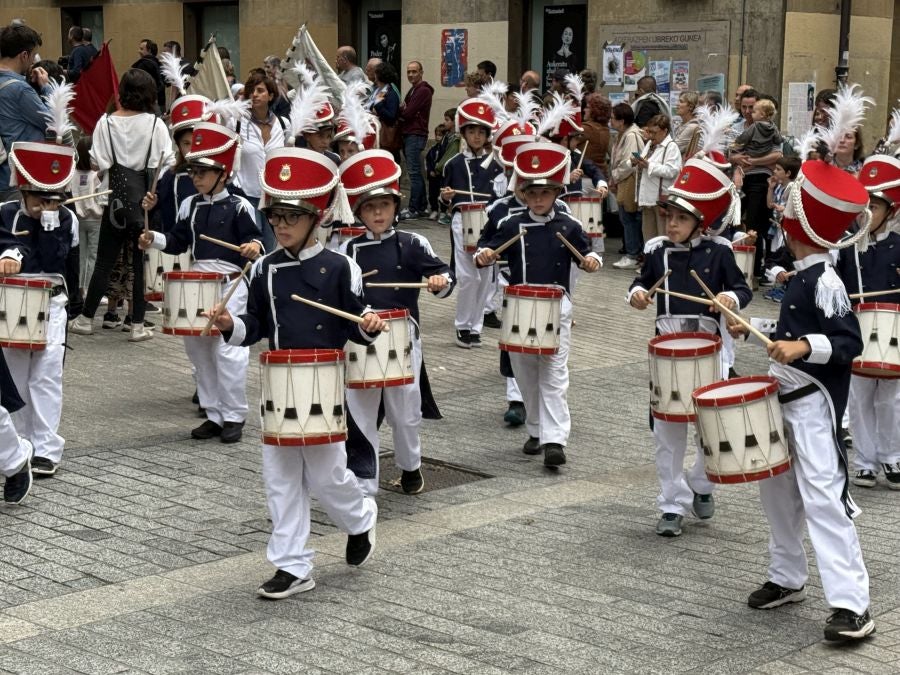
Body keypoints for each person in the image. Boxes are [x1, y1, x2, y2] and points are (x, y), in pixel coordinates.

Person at [206, 146, 381, 600]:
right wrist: (230, 326)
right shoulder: (263, 268)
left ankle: (360, 519)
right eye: (276, 216)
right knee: (280, 479)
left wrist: (369, 324)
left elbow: (358, 322)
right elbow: (256, 327)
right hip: (279, 385)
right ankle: (292, 565)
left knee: (327, 477)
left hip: (323, 382)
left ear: (316, 217)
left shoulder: (343, 267)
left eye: (291, 217)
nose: (280, 225)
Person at [729, 157, 874, 643]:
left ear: (798, 229)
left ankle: (853, 606)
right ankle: (788, 576)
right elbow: (789, 335)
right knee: (777, 494)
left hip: (814, 404)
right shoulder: (802, 276)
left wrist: (805, 347)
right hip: (783, 398)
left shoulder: (826, 280)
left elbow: (849, 345)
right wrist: (752, 333)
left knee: (822, 499)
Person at [627, 156, 750, 536]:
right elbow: (639, 283)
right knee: (667, 433)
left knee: (711, 427)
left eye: (681, 219)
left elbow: (743, 290)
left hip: (709, 347)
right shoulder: (658, 250)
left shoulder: (720, 252)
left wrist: (729, 298)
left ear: (701, 223)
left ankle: (701, 483)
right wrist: (636, 296)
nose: (673, 225)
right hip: (668, 349)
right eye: (669, 218)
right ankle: (670, 505)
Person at [476, 142, 601, 468]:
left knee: (554, 375)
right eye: (532, 193)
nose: (538, 199)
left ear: (557, 192)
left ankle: (556, 440)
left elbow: (590, 252)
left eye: (545, 193)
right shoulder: (509, 225)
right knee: (525, 374)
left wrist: (591, 260)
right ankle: (536, 429)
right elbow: (483, 248)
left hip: (557, 306)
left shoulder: (569, 225)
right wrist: (485, 255)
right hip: (518, 305)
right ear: (523, 192)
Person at [139, 121, 262, 444]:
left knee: (227, 351)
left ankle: (234, 415)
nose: (195, 178)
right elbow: (179, 241)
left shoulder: (240, 206)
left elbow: (255, 242)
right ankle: (213, 413)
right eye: (193, 172)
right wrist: (154, 238)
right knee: (198, 350)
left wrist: (253, 247)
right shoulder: (189, 205)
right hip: (198, 283)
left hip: (229, 284)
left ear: (222, 174)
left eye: (202, 173)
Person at [340, 149, 454, 495]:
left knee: (405, 413)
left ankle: (410, 466)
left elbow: (445, 277)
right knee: (359, 412)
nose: (377, 213)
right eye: (370, 207)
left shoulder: (413, 243)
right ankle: (363, 479)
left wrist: (440, 283)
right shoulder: (348, 250)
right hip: (361, 339)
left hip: (404, 340)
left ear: (394, 207)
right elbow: (342, 296)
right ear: (359, 211)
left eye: (384, 206)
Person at [69, 69, 173, 341]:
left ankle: (86, 318)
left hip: (113, 203)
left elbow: (97, 163)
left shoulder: (105, 122)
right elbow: (163, 165)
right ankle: (137, 324)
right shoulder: (156, 125)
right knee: (138, 263)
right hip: (143, 203)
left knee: (104, 261)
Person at [1, 128, 81, 479]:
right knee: (15, 376)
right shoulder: (4, 213)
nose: (42, 204)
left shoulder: (65, 218)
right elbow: (8, 244)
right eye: (37, 197)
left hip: (51, 303)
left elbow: (56, 260)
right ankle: (18, 445)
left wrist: (49, 220)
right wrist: (9, 255)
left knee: (46, 377)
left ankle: (46, 448)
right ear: (22, 188)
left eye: (50, 197)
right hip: (12, 302)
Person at [836, 152, 900, 488]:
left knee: (890, 399)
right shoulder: (847, 247)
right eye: (862, 207)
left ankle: (891, 457)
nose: (866, 214)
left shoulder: (899, 245)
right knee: (859, 398)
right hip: (857, 330)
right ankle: (863, 460)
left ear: (891, 211)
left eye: (873, 208)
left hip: (892, 335)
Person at [441, 99, 505, 348]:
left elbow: (501, 198)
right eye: (472, 131)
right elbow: (443, 201)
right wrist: (445, 197)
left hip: (489, 223)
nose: (477, 136)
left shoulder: (497, 164)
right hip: (462, 221)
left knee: (486, 276)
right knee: (468, 278)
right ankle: (462, 326)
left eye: (481, 131)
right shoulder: (453, 164)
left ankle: (475, 326)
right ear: (464, 133)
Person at [0, 24, 52, 202]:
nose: (32, 63)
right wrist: (46, 87)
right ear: (24, 55)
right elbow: (53, 123)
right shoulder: (20, 89)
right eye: (32, 56)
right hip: (18, 178)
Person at [235, 73, 286, 254]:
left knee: (271, 249)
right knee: (251, 249)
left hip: (272, 198)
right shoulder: (238, 121)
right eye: (251, 91)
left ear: (271, 96)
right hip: (246, 194)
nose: (254, 95)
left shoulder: (281, 123)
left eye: (260, 90)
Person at [633, 114, 682, 243]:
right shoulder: (649, 144)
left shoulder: (671, 147)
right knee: (649, 238)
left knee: (662, 237)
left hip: (660, 200)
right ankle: (651, 261)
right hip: (647, 199)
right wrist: (636, 161)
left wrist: (649, 165)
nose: (650, 135)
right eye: (649, 131)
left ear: (665, 131)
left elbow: (672, 171)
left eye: (654, 132)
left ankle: (663, 262)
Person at [610, 103, 645, 270]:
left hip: (629, 179)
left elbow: (630, 161)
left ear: (621, 121)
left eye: (612, 118)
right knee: (628, 217)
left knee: (629, 217)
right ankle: (634, 253)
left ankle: (633, 254)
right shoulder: (624, 134)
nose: (610, 120)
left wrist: (615, 176)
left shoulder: (631, 136)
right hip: (625, 179)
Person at [398, 61, 434, 219]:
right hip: (411, 133)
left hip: (415, 134)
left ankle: (413, 208)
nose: (411, 74)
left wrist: (402, 109)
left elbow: (407, 113)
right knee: (417, 172)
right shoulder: (414, 90)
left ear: (421, 72)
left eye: (414, 71)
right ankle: (422, 207)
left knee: (413, 173)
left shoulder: (423, 91)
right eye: (409, 72)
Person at [70, 137, 104, 299]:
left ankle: (79, 289)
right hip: (96, 220)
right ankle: (89, 290)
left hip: (78, 219)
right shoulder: (97, 175)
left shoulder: (72, 174)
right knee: (93, 256)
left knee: (81, 256)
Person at [579, 93, 611, 176]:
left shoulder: (587, 128)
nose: (584, 110)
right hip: (601, 174)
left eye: (587, 107)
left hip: (586, 175)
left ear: (595, 111)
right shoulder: (605, 128)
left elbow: (565, 141)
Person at [132, 38, 165, 110]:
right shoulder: (159, 64)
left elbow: (138, 85)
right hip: (160, 102)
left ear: (149, 50)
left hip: (148, 105)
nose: (138, 51)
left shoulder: (143, 64)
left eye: (141, 49)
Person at [672, 91, 702, 160]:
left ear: (690, 107)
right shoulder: (682, 124)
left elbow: (674, 148)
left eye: (681, 102)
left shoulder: (692, 127)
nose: (677, 104)